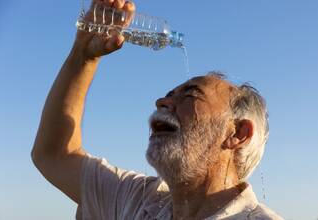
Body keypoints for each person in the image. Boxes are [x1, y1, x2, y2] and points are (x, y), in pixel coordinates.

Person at [31, 0, 283, 219]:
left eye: (192, 94)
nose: (162, 102)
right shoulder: (137, 200)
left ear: (237, 133)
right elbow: (54, 154)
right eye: (168, 95)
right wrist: (83, 56)